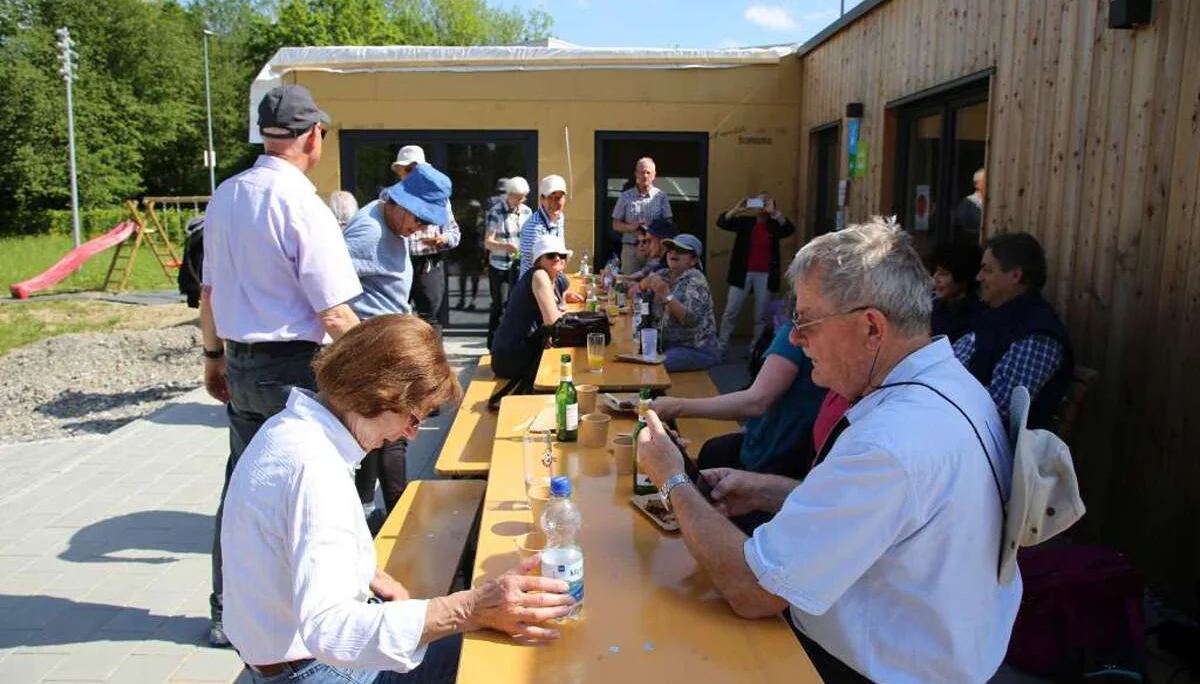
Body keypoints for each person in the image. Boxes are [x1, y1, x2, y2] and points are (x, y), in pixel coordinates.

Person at [635, 218, 1020, 683]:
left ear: (872, 328)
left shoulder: (891, 440)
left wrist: (672, 478)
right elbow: (899, 518)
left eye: (806, 321)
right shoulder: (953, 386)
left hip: (859, 669)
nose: (795, 339)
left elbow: (751, 591)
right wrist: (770, 490)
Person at [222, 314, 575, 684]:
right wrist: (467, 606)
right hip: (313, 670)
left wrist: (362, 571)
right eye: (412, 418)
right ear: (379, 394)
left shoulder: (286, 430)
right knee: (504, 655)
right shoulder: (316, 468)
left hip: (280, 661)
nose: (411, 434)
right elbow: (332, 631)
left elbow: (284, 545)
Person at [199, 84, 363, 648]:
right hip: (295, 365)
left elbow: (209, 293)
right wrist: (386, 366)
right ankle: (323, 612)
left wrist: (213, 358)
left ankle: (228, 612)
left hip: (240, 360)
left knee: (242, 490)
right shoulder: (300, 203)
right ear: (313, 136)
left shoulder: (226, 194)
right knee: (318, 489)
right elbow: (336, 311)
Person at [341, 165, 453, 522]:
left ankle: (375, 514)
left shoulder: (391, 224)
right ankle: (398, 520)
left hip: (389, 343)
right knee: (394, 436)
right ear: (400, 202)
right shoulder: (369, 230)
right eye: (419, 219)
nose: (419, 229)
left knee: (383, 439)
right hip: (373, 353)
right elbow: (328, 288)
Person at [651, 315, 826, 478]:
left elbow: (757, 402)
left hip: (777, 457)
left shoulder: (792, 335)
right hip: (800, 451)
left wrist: (677, 407)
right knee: (712, 450)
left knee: (701, 464)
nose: (796, 336)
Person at [953, 232, 1073, 428]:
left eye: (987, 270)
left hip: (992, 449)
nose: (978, 277)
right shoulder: (994, 317)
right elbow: (950, 366)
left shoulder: (1038, 335)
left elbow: (996, 409)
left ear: (1015, 276)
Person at [491, 234, 583, 380]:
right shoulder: (539, 275)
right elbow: (553, 323)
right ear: (539, 261)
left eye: (562, 255)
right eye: (551, 255)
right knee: (572, 369)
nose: (557, 258)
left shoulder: (557, 279)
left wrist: (564, 298)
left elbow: (551, 298)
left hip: (529, 348)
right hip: (512, 354)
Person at [715, 193, 796, 356]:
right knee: (731, 311)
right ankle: (721, 346)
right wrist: (737, 209)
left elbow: (789, 229)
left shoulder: (774, 225)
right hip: (742, 273)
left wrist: (774, 213)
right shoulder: (746, 222)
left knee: (760, 315)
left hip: (765, 275)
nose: (762, 205)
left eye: (766, 201)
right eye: (759, 201)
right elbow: (722, 222)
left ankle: (755, 350)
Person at [392, 145, 461, 328]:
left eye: (416, 169)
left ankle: (432, 357)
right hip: (399, 262)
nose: (411, 174)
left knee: (428, 321)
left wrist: (442, 239)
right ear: (399, 171)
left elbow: (454, 233)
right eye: (407, 169)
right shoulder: (390, 196)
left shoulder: (439, 198)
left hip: (428, 264)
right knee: (396, 322)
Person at [641, 234, 721, 372]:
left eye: (681, 250)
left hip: (695, 348)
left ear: (693, 260)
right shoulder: (664, 273)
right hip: (668, 344)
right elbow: (638, 293)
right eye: (671, 248)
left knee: (654, 368)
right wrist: (642, 286)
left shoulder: (696, 279)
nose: (673, 252)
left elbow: (690, 319)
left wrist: (666, 295)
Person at [484, 177, 532, 347]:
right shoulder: (496, 211)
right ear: (509, 195)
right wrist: (505, 246)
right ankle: (492, 344)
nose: (520, 201)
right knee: (499, 306)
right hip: (499, 265)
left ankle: (511, 343)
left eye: (523, 197)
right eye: (517, 197)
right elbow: (488, 242)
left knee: (516, 305)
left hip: (519, 266)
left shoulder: (527, 212)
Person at [612, 157, 673, 273]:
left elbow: (668, 224)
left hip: (654, 251)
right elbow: (615, 224)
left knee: (652, 286)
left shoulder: (661, 197)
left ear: (654, 175)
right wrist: (631, 227)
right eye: (642, 172)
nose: (645, 176)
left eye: (648, 172)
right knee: (628, 285)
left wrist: (652, 230)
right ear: (636, 174)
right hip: (631, 249)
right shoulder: (625, 197)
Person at [930, 241, 984, 342]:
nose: (936, 278)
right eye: (936, 271)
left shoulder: (977, 316)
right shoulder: (932, 308)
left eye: (944, 274)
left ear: (963, 278)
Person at [518, 174, 568, 275]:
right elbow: (539, 266)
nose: (554, 203)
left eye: (558, 198)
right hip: (533, 284)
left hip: (552, 279)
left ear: (564, 199)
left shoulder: (560, 217)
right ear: (542, 199)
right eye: (550, 198)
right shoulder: (533, 227)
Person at [618, 218, 676, 285]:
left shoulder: (667, 267)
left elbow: (641, 291)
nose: (646, 245)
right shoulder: (658, 262)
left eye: (649, 241)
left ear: (662, 242)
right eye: (637, 242)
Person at [452, 199, 485, 311]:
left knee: (474, 278)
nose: (473, 212)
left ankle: (472, 300)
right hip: (465, 253)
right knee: (464, 277)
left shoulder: (480, 223)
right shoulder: (463, 222)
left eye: (475, 210)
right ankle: (463, 299)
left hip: (476, 254)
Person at [952, 168, 985, 239]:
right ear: (976, 184)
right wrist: (980, 232)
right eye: (984, 180)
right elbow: (960, 229)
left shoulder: (992, 202)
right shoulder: (967, 202)